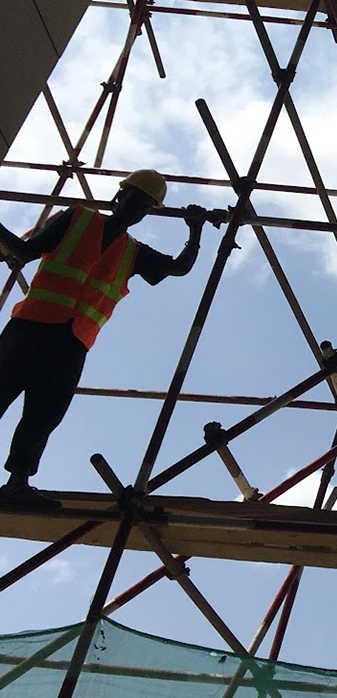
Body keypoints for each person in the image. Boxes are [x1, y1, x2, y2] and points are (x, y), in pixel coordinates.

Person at [0, 170, 214, 507]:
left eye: (144, 205)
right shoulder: (77, 218)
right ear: (119, 195)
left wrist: (195, 231)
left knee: (44, 415)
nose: (135, 208)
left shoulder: (133, 251)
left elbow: (177, 268)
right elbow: (26, 252)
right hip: (32, 326)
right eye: (133, 198)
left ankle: (17, 484)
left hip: (73, 342)